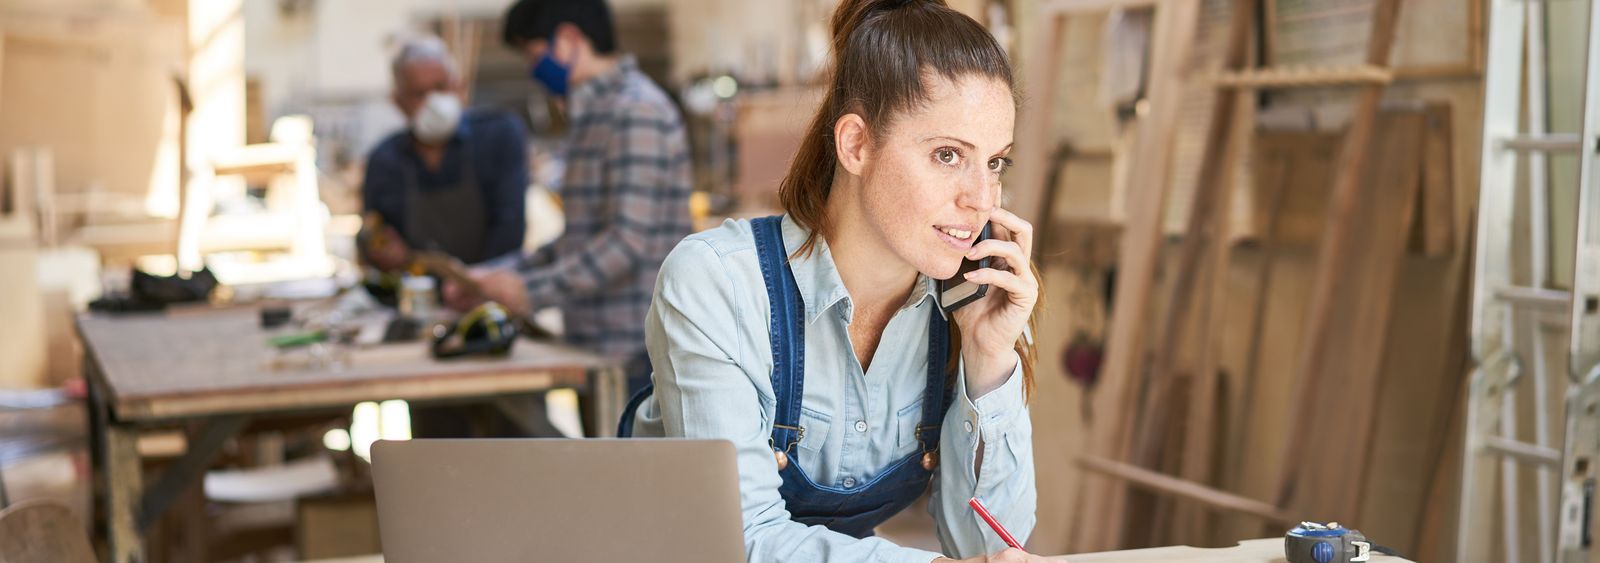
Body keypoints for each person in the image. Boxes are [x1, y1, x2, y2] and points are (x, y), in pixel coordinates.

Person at [621, 1, 1046, 561]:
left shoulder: (959, 309)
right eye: (948, 155)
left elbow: (992, 546)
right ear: (856, 145)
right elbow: (740, 540)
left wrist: (989, 360)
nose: (981, 199)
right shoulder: (718, 284)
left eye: (995, 163)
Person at [449, 0, 692, 393]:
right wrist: (499, 276)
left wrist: (530, 292)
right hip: (595, 346)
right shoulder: (591, 116)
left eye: (533, 53)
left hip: (636, 353)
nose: (532, 69)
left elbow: (624, 244)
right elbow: (578, 240)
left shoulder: (637, 111)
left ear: (567, 39)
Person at [362, 36, 529, 269]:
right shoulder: (384, 160)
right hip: (419, 293)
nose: (433, 103)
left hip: (492, 288)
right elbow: (372, 236)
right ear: (398, 102)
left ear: (458, 86)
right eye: (419, 94)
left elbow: (509, 227)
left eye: (440, 87)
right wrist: (383, 252)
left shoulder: (498, 135)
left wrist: (475, 285)